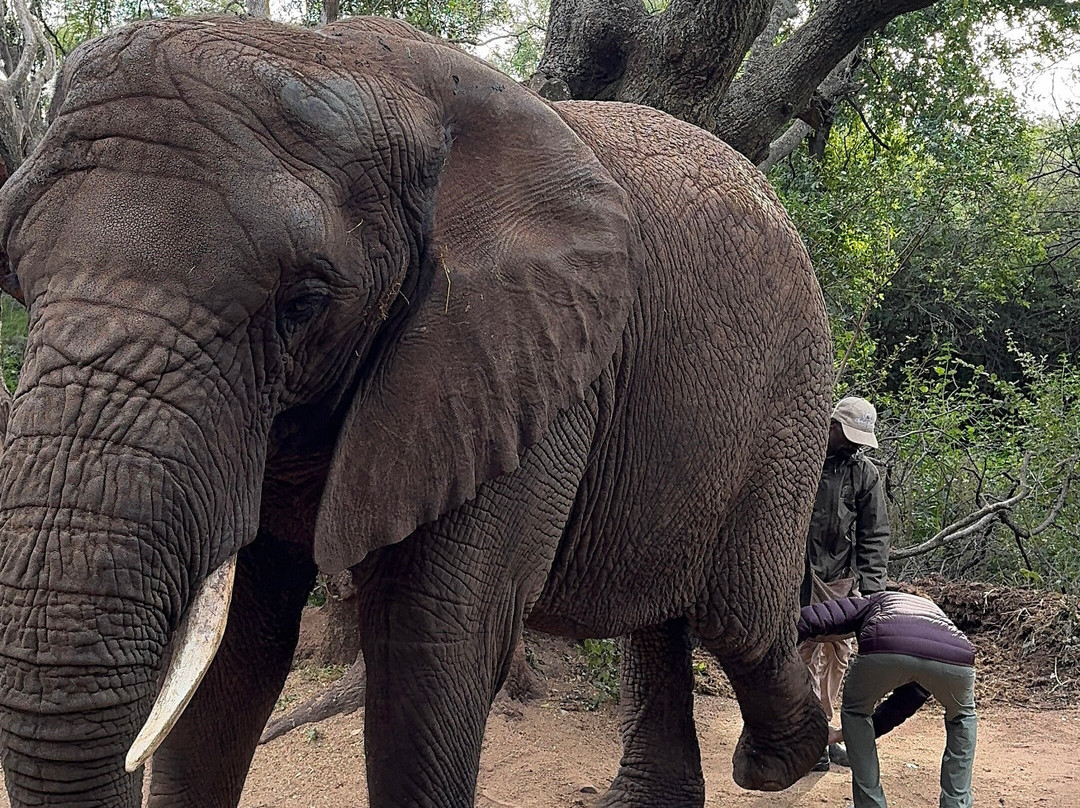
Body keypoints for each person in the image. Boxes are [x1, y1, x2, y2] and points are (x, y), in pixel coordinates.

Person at [798, 591, 977, 808]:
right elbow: (898, 708)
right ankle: (957, 804)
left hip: (884, 645)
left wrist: (786, 628)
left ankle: (870, 804)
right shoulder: (938, 617)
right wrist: (837, 737)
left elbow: (824, 614)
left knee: (856, 712)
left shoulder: (878, 599)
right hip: (956, 659)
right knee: (963, 718)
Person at [801, 395, 890, 771]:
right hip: (797, 576)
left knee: (839, 655)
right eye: (849, 435)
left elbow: (874, 533)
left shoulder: (863, 472)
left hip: (841, 578)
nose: (854, 444)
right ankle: (807, 736)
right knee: (800, 651)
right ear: (833, 426)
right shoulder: (802, 458)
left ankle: (826, 729)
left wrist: (872, 588)